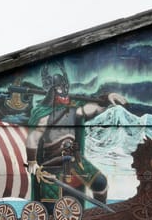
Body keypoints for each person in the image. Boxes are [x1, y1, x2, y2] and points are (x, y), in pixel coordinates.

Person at [25, 66, 126, 210]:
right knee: (51, 207)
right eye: (60, 87)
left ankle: (100, 213)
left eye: (65, 86)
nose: (64, 90)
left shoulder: (74, 109)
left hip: (74, 159)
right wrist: (32, 161)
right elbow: (33, 139)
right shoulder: (43, 115)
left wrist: (107, 99)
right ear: (51, 90)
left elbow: (93, 108)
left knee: (100, 183)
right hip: (52, 163)